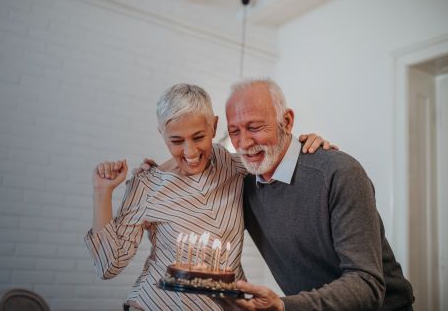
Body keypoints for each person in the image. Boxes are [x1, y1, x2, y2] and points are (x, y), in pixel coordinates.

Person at [84, 83, 329, 311]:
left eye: (199, 137)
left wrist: (306, 148)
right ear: (162, 134)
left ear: (213, 126)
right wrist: (101, 192)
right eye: (176, 141)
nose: (190, 151)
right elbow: (109, 266)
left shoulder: (233, 166)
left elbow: (274, 159)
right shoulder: (147, 185)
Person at [222, 78, 414, 311]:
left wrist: (284, 307)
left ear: (287, 121)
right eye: (234, 131)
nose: (244, 142)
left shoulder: (339, 173)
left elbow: (367, 283)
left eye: (254, 128)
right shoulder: (243, 186)